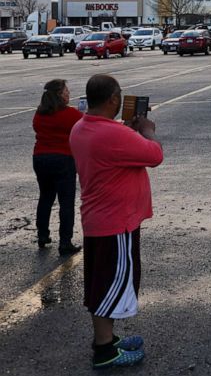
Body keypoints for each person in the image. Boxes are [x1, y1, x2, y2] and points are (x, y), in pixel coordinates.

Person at [70, 74, 163, 369]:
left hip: (100, 218)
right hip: (115, 223)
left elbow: (115, 144)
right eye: (120, 94)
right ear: (112, 99)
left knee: (104, 280)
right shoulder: (113, 135)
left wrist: (129, 131)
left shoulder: (82, 127)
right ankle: (104, 350)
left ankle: (108, 339)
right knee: (110, 285)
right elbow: (155, 154)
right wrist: (146, 130)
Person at [32, 79, 84, 255]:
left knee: (45, 196)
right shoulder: (70, 114)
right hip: (63, 158)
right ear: (59, 95)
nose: (69, 93)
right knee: (66, 201)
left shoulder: (39, 113)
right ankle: (65, 241)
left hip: (40, 158)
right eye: (66, 91)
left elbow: (36, 129)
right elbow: (85, 126)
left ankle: (42, 234)